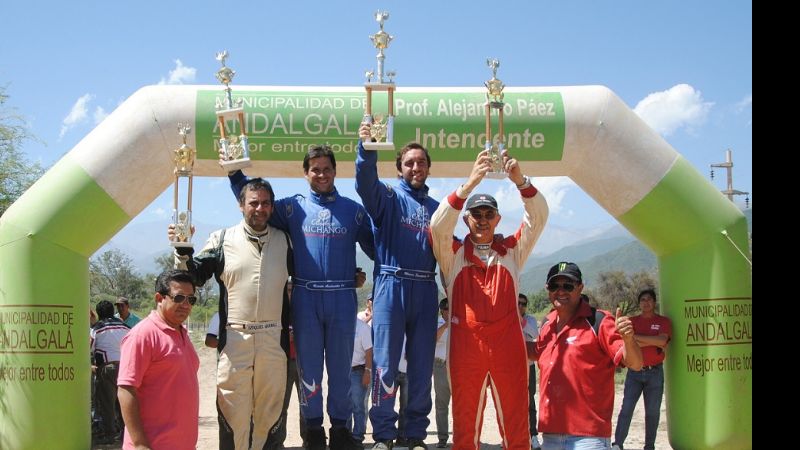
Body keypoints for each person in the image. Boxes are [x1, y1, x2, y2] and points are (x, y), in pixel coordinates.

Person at [228, 144, 375, 450]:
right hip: (305, 297)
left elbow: (378, 248)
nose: (321, 174)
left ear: (335, 171)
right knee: (309, 368)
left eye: (327, 169)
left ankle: (339, 431)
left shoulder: (353, 210)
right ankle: (313, 432)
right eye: (315, 169)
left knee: (339, 369)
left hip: (342, 297)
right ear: (305, 172)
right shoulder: (291, 208)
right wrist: (233, 169)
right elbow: (253, 199)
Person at [430, 149, 548, 449]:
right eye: (476, 214)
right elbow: (437, 227)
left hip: (508, 347)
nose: (482, 220)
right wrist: (468, 185)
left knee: (516, 423)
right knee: (465, 428)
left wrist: (520, 181)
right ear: (466, 219)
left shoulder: (512, 251)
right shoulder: (453, 255)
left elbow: (538, 217)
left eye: (488, 214)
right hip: (466, 348)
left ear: (497, 219)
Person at [173, 177, 292, 450]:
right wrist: (182, 250)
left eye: (265, 203)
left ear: (272, 207)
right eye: (253, 203)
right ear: (241, 205)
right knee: (232, 411)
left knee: (270, 413)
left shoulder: (286, 241)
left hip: (274, 337)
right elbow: (194, 276)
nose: (259, 209)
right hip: (235, 337)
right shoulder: (222, 239)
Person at [356, 123, 440, 450]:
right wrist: (366, 148)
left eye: (421, 162)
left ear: (429, 168)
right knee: (385, 365)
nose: (416, 167)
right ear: (399, 168)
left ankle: (415, 434)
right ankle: (384, 435)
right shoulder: (387, 199)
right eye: (409, 163)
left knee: (421, 368)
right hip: (391, 284)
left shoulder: (438, 210)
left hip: (426, 288)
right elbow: (365, 183)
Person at [529, 262, 643, 450]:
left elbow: (636, 363)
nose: (561, 291)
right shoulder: (548, 325)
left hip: (588, 440)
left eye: (568, 286)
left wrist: (629, 339)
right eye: (554, 286)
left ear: (580, 288)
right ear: (547, 290)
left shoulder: (598, 321)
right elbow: (536, 352)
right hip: (549, 437)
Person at [117, 269, 200, 450]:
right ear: (159, 298)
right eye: (179, 298)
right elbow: (125, 390)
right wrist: (139, 444)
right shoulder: (142, 335)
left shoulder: (182, 333)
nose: (186, 305)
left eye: (191, 299)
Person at [612, 289, 672, 450]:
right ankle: (618, 443)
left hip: (655, 373)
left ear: (654, 302)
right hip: (634, 373)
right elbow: (625, 343)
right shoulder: (631, 321)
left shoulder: (663, 321)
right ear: (639, 303)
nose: (646, 302)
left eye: (649, 299)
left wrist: (634, 338)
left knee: (652, 412)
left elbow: (662, 341)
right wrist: (650, 341)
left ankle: (649, 446)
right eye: (643, 299)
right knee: (626, 408)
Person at [90, 300, 130, 445]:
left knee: (107, 403)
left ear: (99, 313)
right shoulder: (125, 326)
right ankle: (126, 433)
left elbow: (89, 346)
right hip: (126, 368)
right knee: (124, 403)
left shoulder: (97, 328)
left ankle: (110, 435)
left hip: (107, 369)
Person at [518, 294, 542, 450]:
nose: (521, 306)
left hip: (528, 366)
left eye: (523, 304)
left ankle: (533, 435)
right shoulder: (505, 318)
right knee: (511, 401)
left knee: (529, 401)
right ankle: (513, 435)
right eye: (518, 303)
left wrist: (520, 319)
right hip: (510, 367)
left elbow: (535, 335)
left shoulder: (531, 320)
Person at [348, 310, 373, 444]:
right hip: (342, 372)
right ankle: (345, 435)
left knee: (358, 406)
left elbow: (370, 350)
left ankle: (357, 437)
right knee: (344, 406)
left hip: (358, 371)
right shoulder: (339, 325)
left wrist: (367, 371)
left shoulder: (363, 328)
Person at [433, 298, 451, 449]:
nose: (449, 310)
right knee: (441, 404)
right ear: (441, 310)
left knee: (460, 404)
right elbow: (433, 338)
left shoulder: (460, 321)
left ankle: (461, 437)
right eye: (446, 308)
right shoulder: (437, 323)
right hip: (440, 366)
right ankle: (442, 438)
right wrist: (447, 325)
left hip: (457, 366)